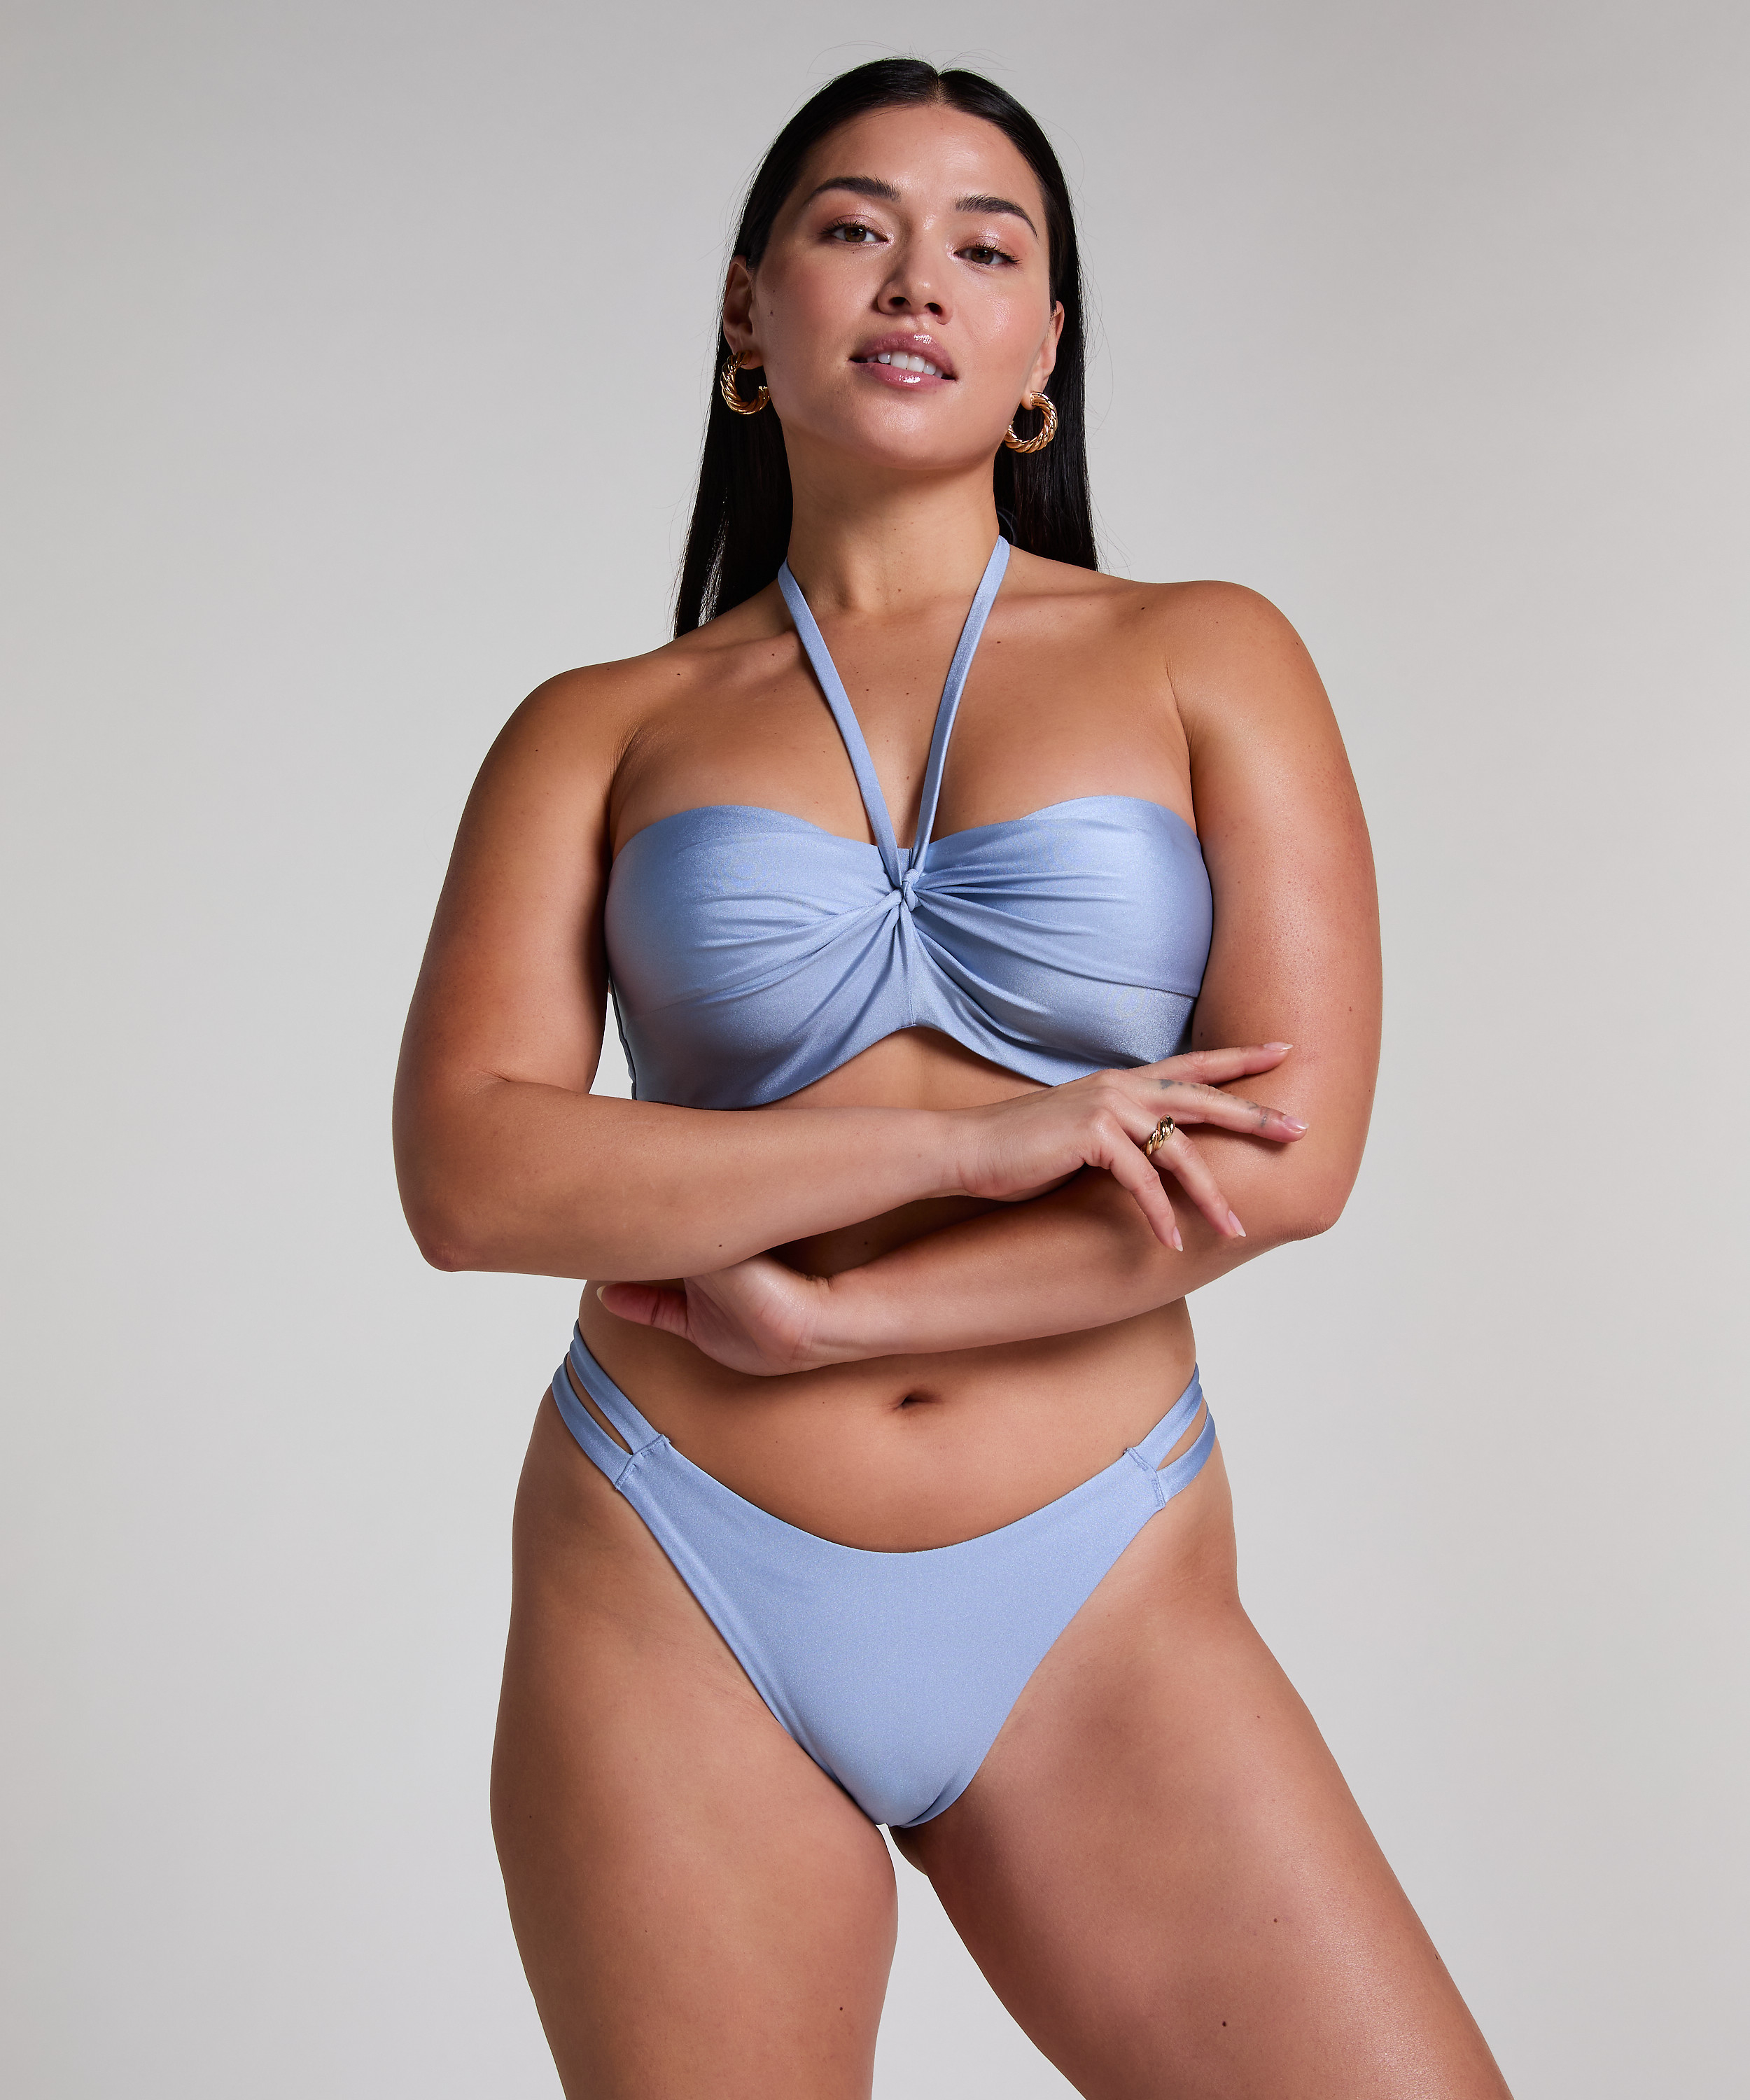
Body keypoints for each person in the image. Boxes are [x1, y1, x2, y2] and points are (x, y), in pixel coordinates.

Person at [393, 56, 1510, 2099]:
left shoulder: (1205, 652)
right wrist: (982, 1145)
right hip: (675, 1564)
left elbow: (1287, 1155)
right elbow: (472, 1174)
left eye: (985, 249)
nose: (918, 281)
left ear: (1043, 350)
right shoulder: (596, 724)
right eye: (853, 229)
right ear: (749, 313)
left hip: (1098, 1578)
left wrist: (845, 1315)